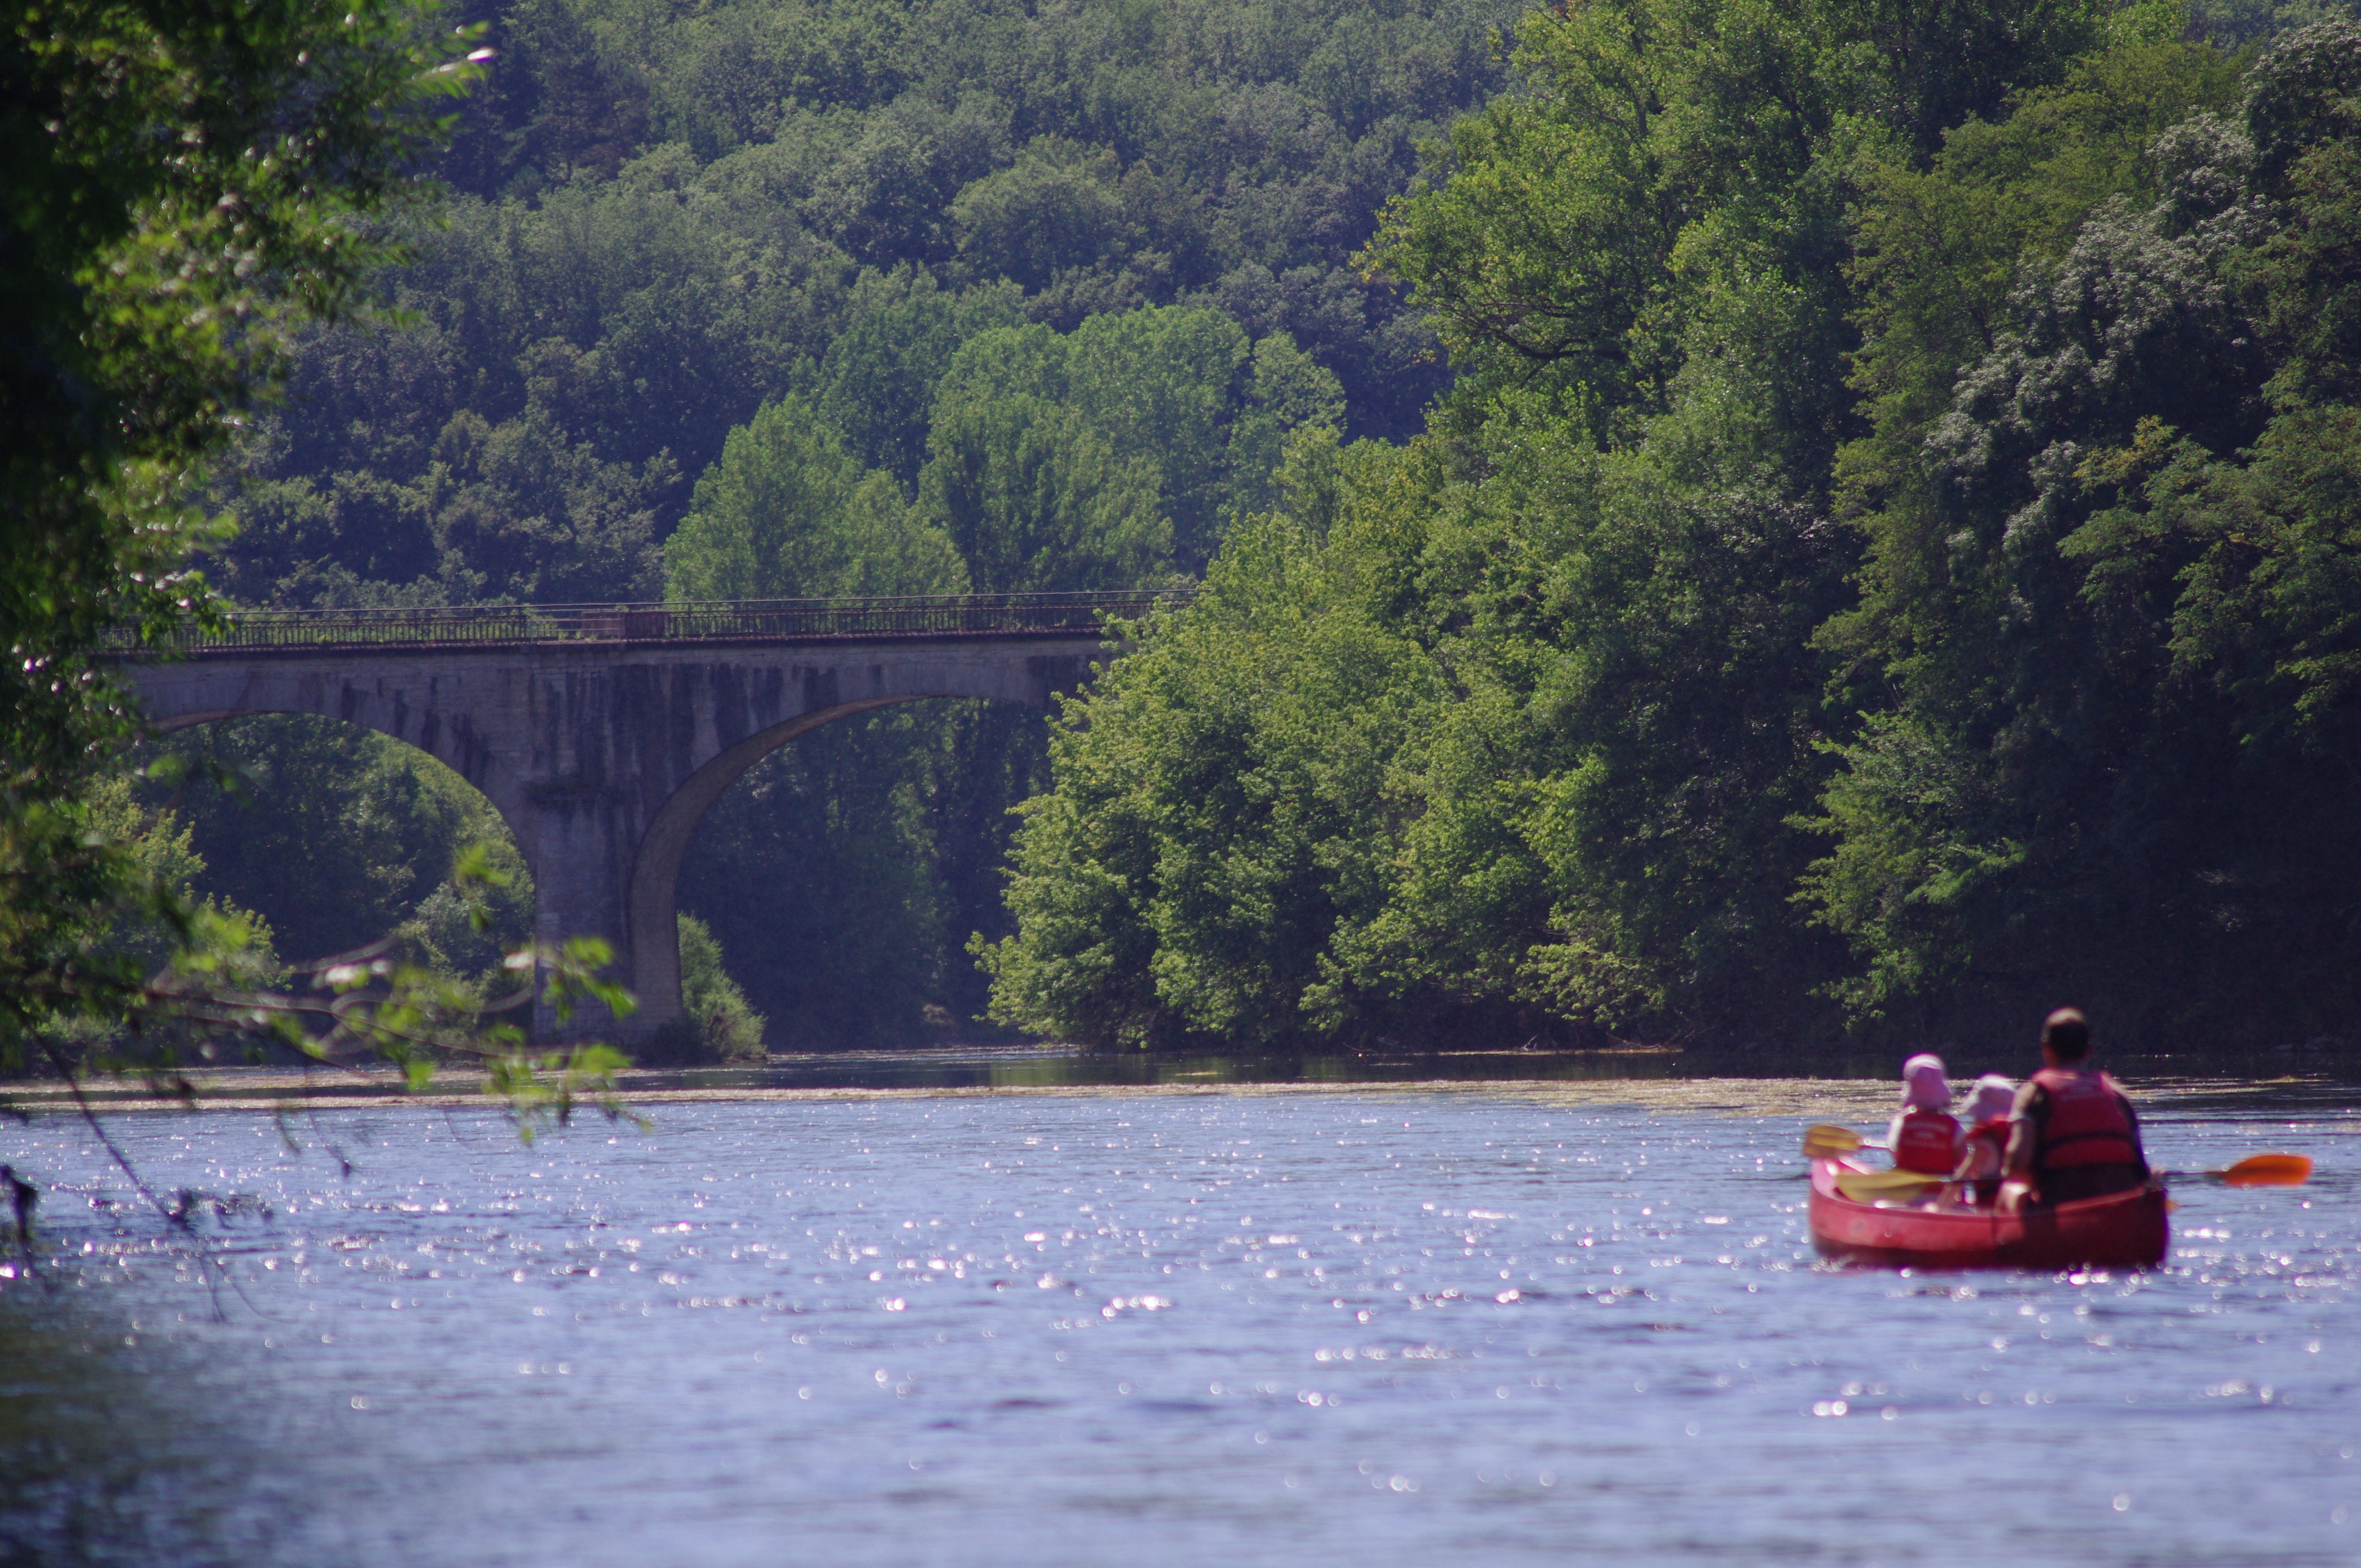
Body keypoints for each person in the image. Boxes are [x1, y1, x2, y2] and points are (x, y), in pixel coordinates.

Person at [1998, 1007, 2150, 1211]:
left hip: (2064, 1213)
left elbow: (2016, 1165)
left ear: (2046, 1048)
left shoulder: (2034, 1093)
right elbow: (2141, 1169)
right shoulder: (2117, 1092)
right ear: (2089, 1050)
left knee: (2010, 1190)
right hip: (2122, 1209)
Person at [1886, 1053, 1965, 1175]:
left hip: (1907, 1190)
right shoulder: (1953, 1126)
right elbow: (1962, 1160)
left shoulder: (1902, 1122)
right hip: (1941, 1190)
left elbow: (1894, 1151)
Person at [1952, 1074, 2016, 1201]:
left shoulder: (1984, 1141)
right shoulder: (2016, 1136)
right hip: (2007, 1204)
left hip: (1989, 1206)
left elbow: (1961, 1177)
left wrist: (1939, 1208)